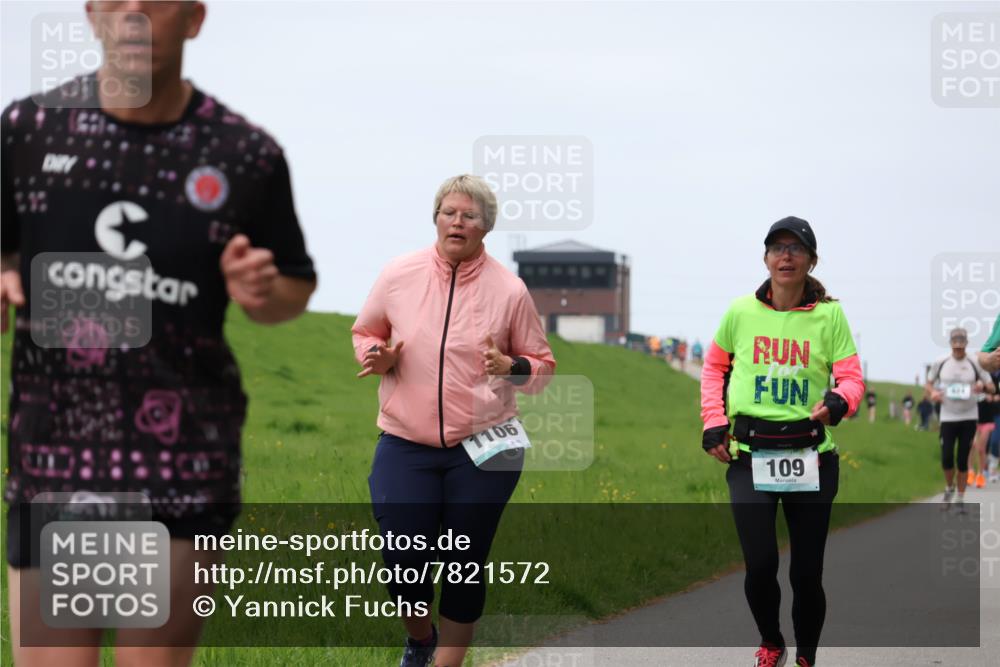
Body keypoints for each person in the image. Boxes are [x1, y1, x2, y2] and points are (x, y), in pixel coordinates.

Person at [1, 3, 317, 665]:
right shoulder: (26, 132)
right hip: (56, 457)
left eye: (158, 1)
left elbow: (293, 283)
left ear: (195, 19)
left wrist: (263, 290)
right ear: (91, 15)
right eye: (117, 0)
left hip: (182, 464)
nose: (136, 15)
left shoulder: (244, 153)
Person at [351, 174, 555, 667]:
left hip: (486, 445)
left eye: (469, 215)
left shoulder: (509, 290)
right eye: (449, 212)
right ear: (436, 218)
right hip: (406, 441)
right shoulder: (400, 273)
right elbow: (366, 330)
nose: (457, 222)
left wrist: (514, 368)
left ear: (486, 227)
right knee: (402, 558)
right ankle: (421, 638)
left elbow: (542, 367)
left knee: (464, 561)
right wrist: (376, 355)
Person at [700, 216, 864, 667]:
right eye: (777, 247)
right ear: (766, 258)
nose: (785, 255)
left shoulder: (830, 316)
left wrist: (838, 400)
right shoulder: (740, 312)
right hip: (751, 457)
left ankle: (806, 656)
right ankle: (772, 641)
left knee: (807, 572)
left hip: (812, 458)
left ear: (811, 260)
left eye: (796, 248)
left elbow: (852, 379)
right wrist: (713, 422)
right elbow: (714, 368)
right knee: (760, 565)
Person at [925, 327, 995, 510]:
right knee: (947, 457)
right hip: (947, 417)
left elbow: (992, 387)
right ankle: (949, 488)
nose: (958, 350)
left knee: (962, 459)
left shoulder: (975, 362)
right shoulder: (941, 362)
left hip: (969, 417)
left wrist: (982, 386)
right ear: (950, 344)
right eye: (955, 347)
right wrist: (933, 393)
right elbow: (928, 383)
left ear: (966, 345)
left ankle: (960, 498)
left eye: (961, 347)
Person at [969, 375, 999, 488]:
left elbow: (995, 391)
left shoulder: (992, 380)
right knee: (971, 446)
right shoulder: (972, 376)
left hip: (987, 419)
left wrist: (993, 396)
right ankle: (970, 471)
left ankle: (980, 475)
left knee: (981, 449)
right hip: (972, 418)